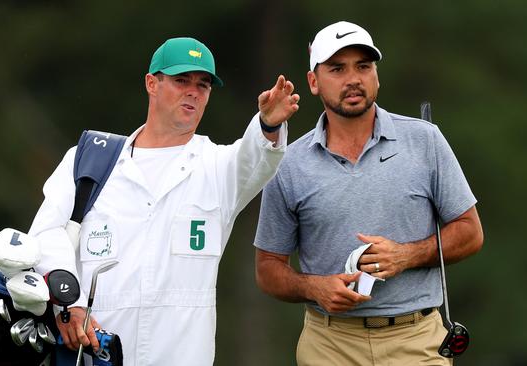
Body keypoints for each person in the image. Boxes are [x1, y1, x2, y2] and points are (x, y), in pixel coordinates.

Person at [28, 37, 299, 365]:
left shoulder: (217, 168)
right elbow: (45, 234)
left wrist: (267, 124)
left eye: (203, 85)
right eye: (181, 80)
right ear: (152, 83)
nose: (193, 91)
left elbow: (256, 157)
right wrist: (69, 303)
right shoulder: (89, 161)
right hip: (92, 354)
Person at [253, 21, 483, 365]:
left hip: (416, 340)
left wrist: (406, 255)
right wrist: (314, 288)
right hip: (329, 344)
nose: (353, 79)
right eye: (337, 69)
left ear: (376, 75)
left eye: (364, 66)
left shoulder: (425, 140)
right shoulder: (288, 163)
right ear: (314, 82)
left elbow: (470, 233)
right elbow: (268, 268)